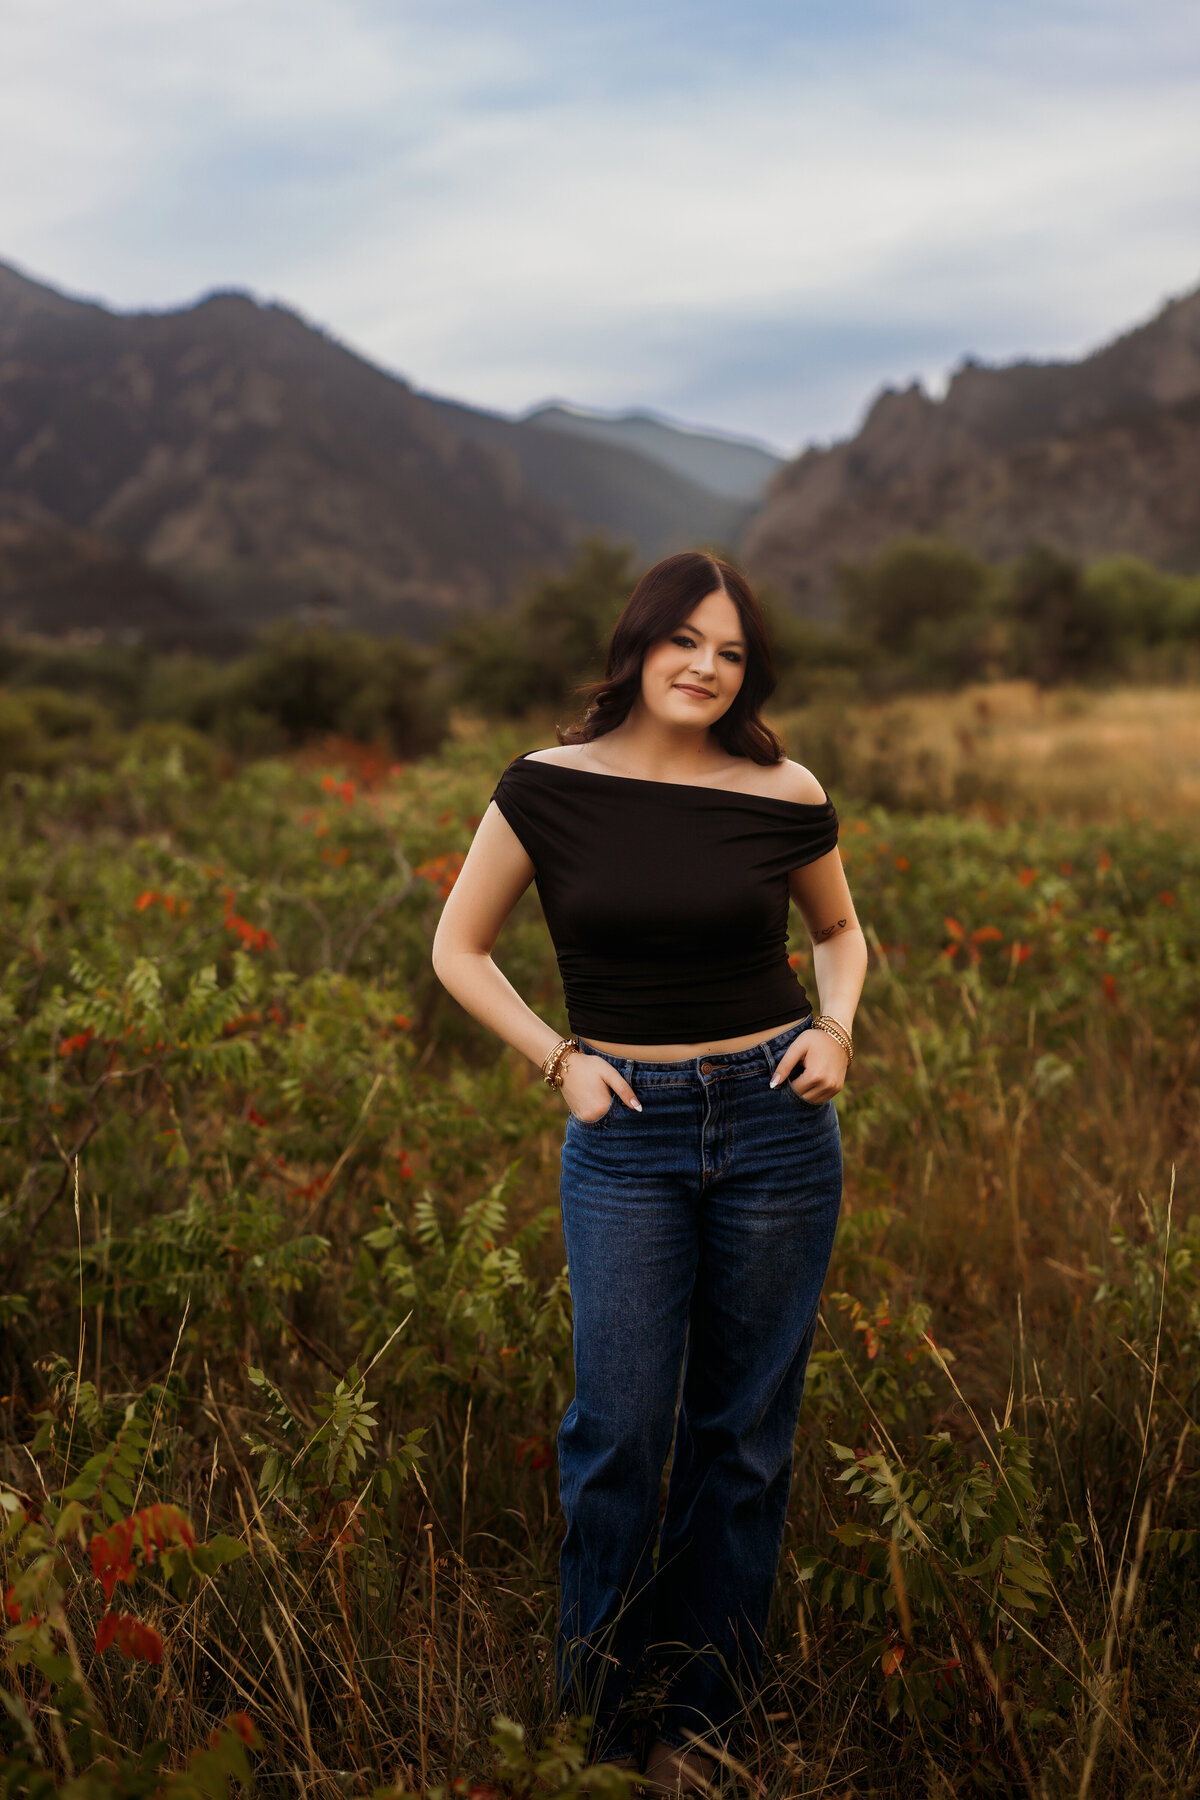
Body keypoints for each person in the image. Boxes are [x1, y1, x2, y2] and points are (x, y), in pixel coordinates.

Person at [432, 551, 865, 1793]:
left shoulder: (782, 789)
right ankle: (595, 1731)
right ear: (637, 647)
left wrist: (835, 1032)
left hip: (778, 1121)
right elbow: (460, 948)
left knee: (743, 1441)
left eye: (731, 652)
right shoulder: (545, 789)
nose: (706, 667)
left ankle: (696, 1727)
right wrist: (555, 1057)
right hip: (623, 1127)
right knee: (617, 1433)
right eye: (685, 641)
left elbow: (837, 932)